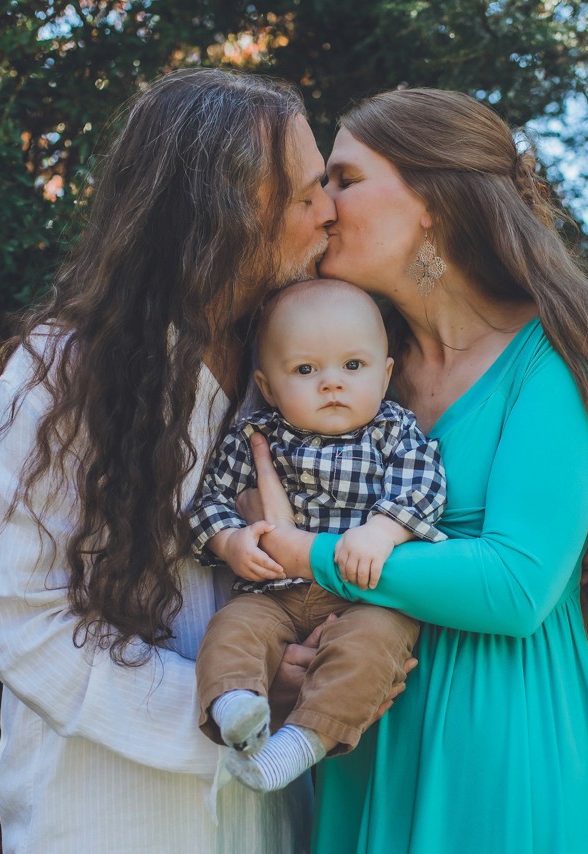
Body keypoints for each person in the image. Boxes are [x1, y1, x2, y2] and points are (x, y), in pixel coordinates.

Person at [244, 89, 588, 853]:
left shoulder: (547, 366)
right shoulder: (353, 377)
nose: (323, 206)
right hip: (368, 733)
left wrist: (315, 556)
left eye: (345, 179)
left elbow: (517, 586)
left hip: (493, 734)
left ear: (430, 201)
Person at [0, 68, 342, 853]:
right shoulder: (62, 374)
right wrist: (227, 695)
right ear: (225, 213)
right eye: (304, 196)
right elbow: (23, 614)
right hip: (107, 814)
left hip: (270, 813)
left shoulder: (292, 374)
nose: (329, 215)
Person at [189, 278, 446, 793]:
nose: (332, 384)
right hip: (272, 595)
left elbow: (424, 484)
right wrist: (230, 542)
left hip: (363, 597)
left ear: (385, 371)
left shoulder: (392, 430)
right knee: (232, 630)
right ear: (267, 385)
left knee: (373, 650)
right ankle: (236, 704)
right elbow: (208, 504)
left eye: (353, 366)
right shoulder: (257, 435)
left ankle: (299, 745)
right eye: (306, 370)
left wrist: (382, 530)